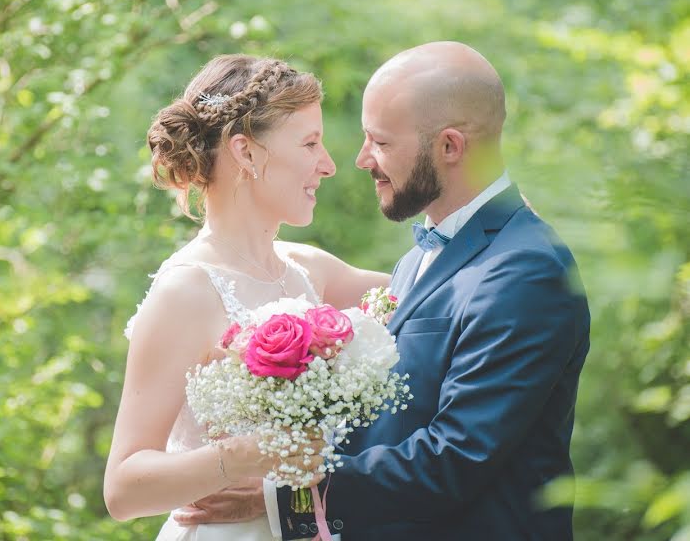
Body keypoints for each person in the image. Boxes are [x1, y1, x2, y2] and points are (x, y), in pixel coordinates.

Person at [176, 42, 591, 540]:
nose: (360, 159)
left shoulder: (525, 269)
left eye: (381, 142)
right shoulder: (423, 255)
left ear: (450, 147)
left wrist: (285, 498)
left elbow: (456, 457)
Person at [103, 54, 389, 540]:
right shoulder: (185, 291)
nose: (329, 165)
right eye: (309, 143)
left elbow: (430, 289)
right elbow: (124, 488)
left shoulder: (308, 268)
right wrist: (247, 456)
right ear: (247, 152)